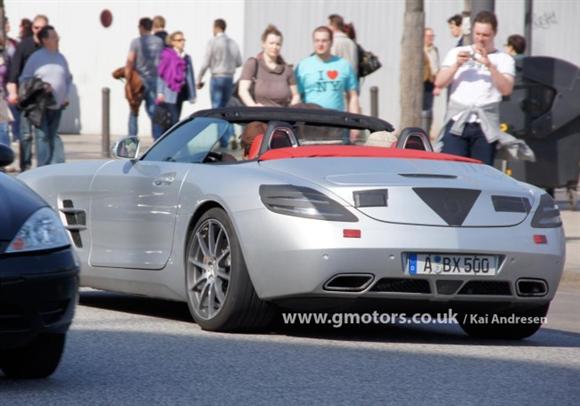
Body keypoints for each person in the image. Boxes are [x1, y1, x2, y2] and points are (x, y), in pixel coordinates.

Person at [435, 11, 515, 165]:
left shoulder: (504, 59)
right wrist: (456, 65)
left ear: (494, 34)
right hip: (458, 121)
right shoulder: (457, 53)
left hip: (485, 125)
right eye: (477, 34)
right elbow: (439, 82)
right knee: (452, 170)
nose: (480, 39)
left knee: (481, 174)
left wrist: (489, 65)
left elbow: (506, 89)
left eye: (485, 35)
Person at [20, 25, 72, 167]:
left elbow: (67, 79)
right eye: (54, 37)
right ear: (45, 40)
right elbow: (24, 79)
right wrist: (42, 85)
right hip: (41, 105)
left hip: (57, 105)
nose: (58, 39)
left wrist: (65, 95)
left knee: (53, 135)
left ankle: (56, 166)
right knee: (42, 136)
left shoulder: (61, 57)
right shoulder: (36, 58)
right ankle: (43, 167)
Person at [7, 14, 49, 171]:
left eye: (42, 27)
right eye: (36, 27)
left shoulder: (48, 46)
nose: (39, 30)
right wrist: (13, 92)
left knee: (42, 135)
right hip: (25, 96)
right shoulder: (24, 46)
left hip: (42, 98)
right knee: (25, 134)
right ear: (32, 28)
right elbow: (14, 71)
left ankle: (43, 168)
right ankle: (25, 166)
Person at [196, 18, 242, 147]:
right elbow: (239, 62)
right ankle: (232, 135)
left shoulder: (212, 42)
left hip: (217, 78)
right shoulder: (233, 43)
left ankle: (223, 141)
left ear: (216, 28)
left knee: (217, 110)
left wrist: (199, 78)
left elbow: (205, 62)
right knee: (228, 108)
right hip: (228, 78)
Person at [295, 26, 359, 114]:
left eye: (324, 41)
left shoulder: (344, 65)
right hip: (311, 122)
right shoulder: (303, 66)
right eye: (317, 40)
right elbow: (296, 96)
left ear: (331, 42)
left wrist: (354, 126)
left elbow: (353, 96)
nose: (320, 44)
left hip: (337, 122)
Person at [238, 25, 299, 107]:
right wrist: (253, 106)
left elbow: (296, 95)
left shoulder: (287, 69)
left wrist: (290, 109)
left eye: (278, 44)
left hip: (282, 116)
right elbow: (243, 90)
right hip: (259, 115)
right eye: (271, 43)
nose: (275, 47)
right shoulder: (253, 64)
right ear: (263, 44)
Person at [126, 17, 164, 139]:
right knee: (154, 112)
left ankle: (131, 143)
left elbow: (130, 62)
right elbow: (163, 63)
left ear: (142, 27)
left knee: (134, 111)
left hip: (139, 82)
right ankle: (157, 141)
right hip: (155, 81)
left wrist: (128, 81)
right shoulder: (159, 42)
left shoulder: (136, 42)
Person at [156, 31, 196, 133]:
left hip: (181, 92)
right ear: (172, 42)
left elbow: (190, 76)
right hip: (168, 92)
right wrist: (160, 92)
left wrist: (193, 94)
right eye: (179, 40)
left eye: (183, 40)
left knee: (173, 120)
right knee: (174, 120)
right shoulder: (167, 55)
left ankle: (165, 142)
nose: (182, 42)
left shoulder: (186, 57)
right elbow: (161, 74)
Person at [328, 14, 358, 78]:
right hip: (351, 81)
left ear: (333, 26)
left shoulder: (333, 42)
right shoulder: (351, 43)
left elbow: (331, 64)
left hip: (338, 82)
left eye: (328, 25)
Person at [423, 27, 439, 135]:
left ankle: (426, 131)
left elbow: (436, 66)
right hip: (420, 82)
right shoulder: (419, 49)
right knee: (420, 108)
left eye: (432, 36)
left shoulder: (434, 49)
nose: (431, 38)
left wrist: (438, 84)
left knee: (429, 107)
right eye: (428, 36)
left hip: (431, 81)